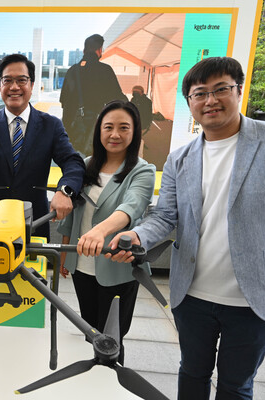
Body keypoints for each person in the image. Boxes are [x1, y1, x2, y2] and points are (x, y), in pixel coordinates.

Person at [109, 57, 265, 399]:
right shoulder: (180, 158)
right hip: (192, 296)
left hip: (254, 297)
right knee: (191, 373)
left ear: (239, 90)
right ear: (190, 102)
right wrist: (137, 235)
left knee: (236, 385)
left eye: (221, 89)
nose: (210, 100)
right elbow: (165, 216)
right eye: (200, 93)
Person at [57, 100, 155, 366]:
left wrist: (99, 232)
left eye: (124, 128)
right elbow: (73, 214)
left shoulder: (142, 171)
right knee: (89, 330)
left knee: (112, 338)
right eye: (108, 127)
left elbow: (132, 206)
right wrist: (65, 254)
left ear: (135, 132)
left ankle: (111, 379)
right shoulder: (85, 166)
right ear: (99, 130)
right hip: (82, 266)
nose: (115, 134)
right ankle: (90, 378)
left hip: (118, 267)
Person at [0, 53, 85, 240]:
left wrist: (64, 191)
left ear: (32, 85)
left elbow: (72, 162)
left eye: (21, 80)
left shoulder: (51, 125)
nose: (14, 87)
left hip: (35, 224)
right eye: (7, 80)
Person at [60, 34, 127, 156]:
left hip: (71, 130)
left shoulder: (72, 70)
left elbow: (63, 100)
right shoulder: (105, 70)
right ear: (99, 50)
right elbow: (118, 98)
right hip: (93, 129)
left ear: (84, 50)